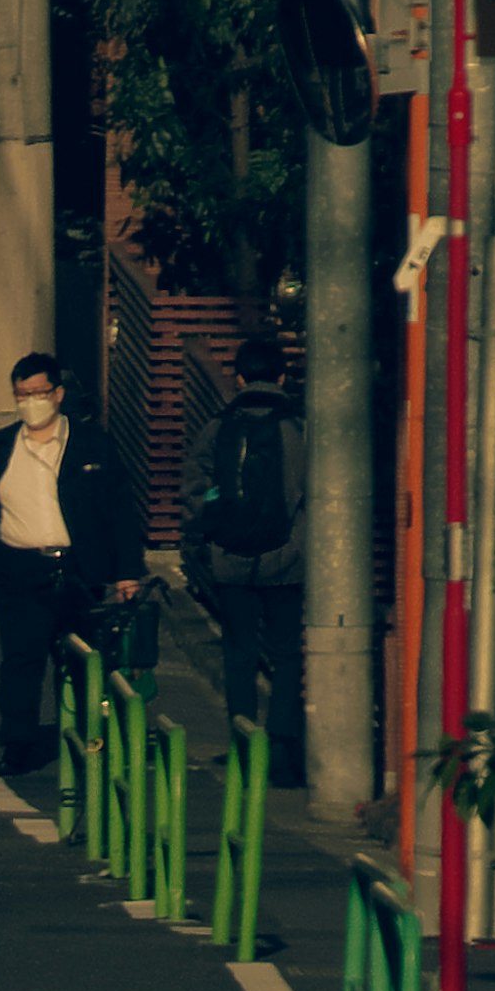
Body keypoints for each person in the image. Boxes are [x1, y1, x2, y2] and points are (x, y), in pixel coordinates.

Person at [0, 349, 146, 777]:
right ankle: (18, 744)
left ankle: (90, 741)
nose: (30, 402)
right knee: (21, 661)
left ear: (58, 394)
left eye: (39, 393)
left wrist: (127, 572)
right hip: (19, 568)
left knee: (85, 658)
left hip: (81, 568)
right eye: (21, 395)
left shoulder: (92, 445)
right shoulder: (0, 448)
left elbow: (119, 510)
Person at [187, 327, 308, 787]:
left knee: (238, 652)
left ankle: (242, 745)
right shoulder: (298, 429)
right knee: (286, 653)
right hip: (287, 562)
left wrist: (208, 527)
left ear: (238, 378)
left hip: (229, 559)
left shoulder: (218, 428)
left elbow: (195, 490)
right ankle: (280, 746)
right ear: (281, 375)